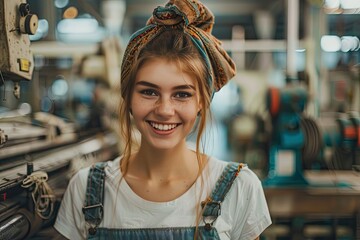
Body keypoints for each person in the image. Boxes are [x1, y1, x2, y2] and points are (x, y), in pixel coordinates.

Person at [54, 0, 272, 239]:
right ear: (127, 96)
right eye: (149, 92)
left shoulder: (239, 189)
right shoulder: (85, 190)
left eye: (182, 94)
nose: (165, 110)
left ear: (201, 102)